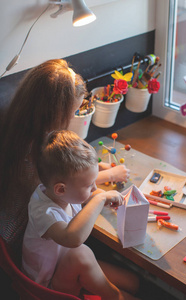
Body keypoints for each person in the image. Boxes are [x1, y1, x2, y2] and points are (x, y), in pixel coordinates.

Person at [0, 58, 130, 257]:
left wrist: (91, 166)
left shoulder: (23, 125)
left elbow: (62, 175)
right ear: (53, 112)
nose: (72, 117)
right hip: (21, 239)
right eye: (72, 112)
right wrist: (108, 175)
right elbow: (57, 184)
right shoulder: (32, 149)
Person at [22, 130, 139, 300]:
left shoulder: (62, 192)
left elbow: (82, 191)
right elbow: (72, 239)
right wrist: (99, 199)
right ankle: (116, 296)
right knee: (80, 253)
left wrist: (99, 193)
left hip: (64, 266)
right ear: (61, 189)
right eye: (89, 185)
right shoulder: (43, 211)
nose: (94, 187)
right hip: (46, 288)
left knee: (133, 282)